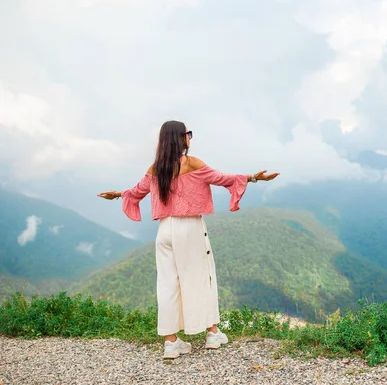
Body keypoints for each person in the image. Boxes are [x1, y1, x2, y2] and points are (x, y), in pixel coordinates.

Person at [97, 120, 279, 359]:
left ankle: (171, 343)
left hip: (164, 231)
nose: (190, 138)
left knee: (168, 284)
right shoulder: (193, 164)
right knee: (202, 277)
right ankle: (212, 334)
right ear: (180, 138)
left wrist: (118, 194)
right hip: (190, 227)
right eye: (188, 134)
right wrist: (254, 178)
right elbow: (223, 179)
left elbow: (137, 191)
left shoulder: (155, 169)